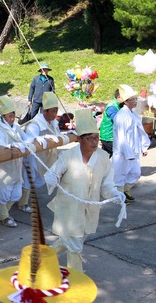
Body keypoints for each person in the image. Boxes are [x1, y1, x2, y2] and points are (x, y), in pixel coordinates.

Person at [46, 109, 125, 272]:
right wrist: (52, 179)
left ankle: (43, 257)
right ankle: (77, 279)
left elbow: (107, 185)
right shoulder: (67, 156)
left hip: (90, 210)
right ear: (80, 139)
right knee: (75, 247)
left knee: (73, 240)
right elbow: (51, 175)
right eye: (89, 138)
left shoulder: (103, 157)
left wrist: (115, 193)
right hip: (69, 210)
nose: (94, 142)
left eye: (96, 137)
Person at [0, 95, 32, 227]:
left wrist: (31, 142)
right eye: (9, 115)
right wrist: (12, 146)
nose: (12, 118)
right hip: (4, 166)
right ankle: (3, 216)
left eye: (13, 114)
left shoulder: (16, 127)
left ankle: (4, 213)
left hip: (16, 165)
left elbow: (27, 139)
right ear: (2, 116)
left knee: (15, 193)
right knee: (3, 192)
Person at [21, 91, 61, 212]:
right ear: (45, 111)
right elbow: (30, 140)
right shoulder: (35, 124)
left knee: (40, 177)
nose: (55, 114)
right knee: (29, 177)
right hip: (33, 156)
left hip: (46, 155)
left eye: (56, 111)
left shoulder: (53, 122)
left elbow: (58, 135)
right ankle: (23, 203)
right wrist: (43, 139)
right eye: (52, 111)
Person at [112, 84, 150, 203]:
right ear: (126, 101)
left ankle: (125, 191)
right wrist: (128, 153)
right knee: (120, 175)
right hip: (123, 152)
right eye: (133, 99)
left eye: (135, 98)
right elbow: (122, 137)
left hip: (133, 151)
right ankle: (119, 196)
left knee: (135, 173)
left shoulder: (133, 114)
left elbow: (139, 132)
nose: (135, 101)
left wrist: (143, 147)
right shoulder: (122, 116)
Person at [99, 89, 123, 157]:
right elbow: (118, 120)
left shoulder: (119, 105)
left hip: (111, 135)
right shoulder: (112, 107)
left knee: (105, 157)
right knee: (118, 155)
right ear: (119, 97)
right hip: (108, 136)